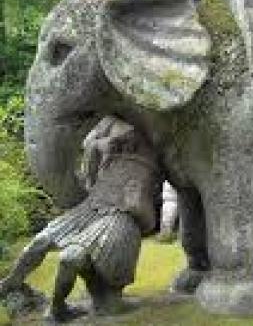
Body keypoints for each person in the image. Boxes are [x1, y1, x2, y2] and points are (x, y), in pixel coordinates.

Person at [0, 116, 159, 322]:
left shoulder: (154, 149)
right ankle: (8, 285)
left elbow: (147, 216)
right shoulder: (110, 122)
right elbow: (89, 148)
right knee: (40, 242)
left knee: (70, 257)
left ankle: (57, 309)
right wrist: (102, 146)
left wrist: (135, 205)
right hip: (92, 204)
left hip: (118, 216)